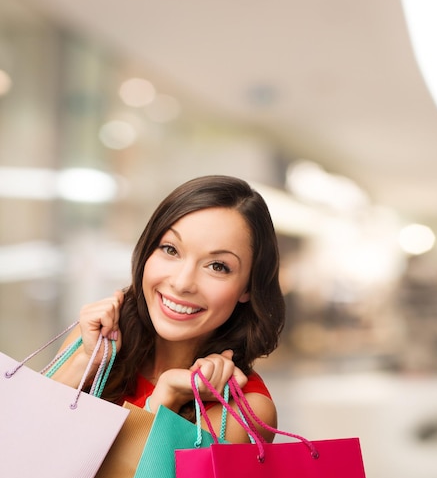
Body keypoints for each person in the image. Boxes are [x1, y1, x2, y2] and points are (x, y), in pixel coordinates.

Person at [52, 175, 285, 443]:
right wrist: (86, 362)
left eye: (218, 266)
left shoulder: (243, 411)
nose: (182, 282)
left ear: (248, 287)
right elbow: (18, 441)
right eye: (170, 249)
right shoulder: (93, 344)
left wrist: (165, 399)